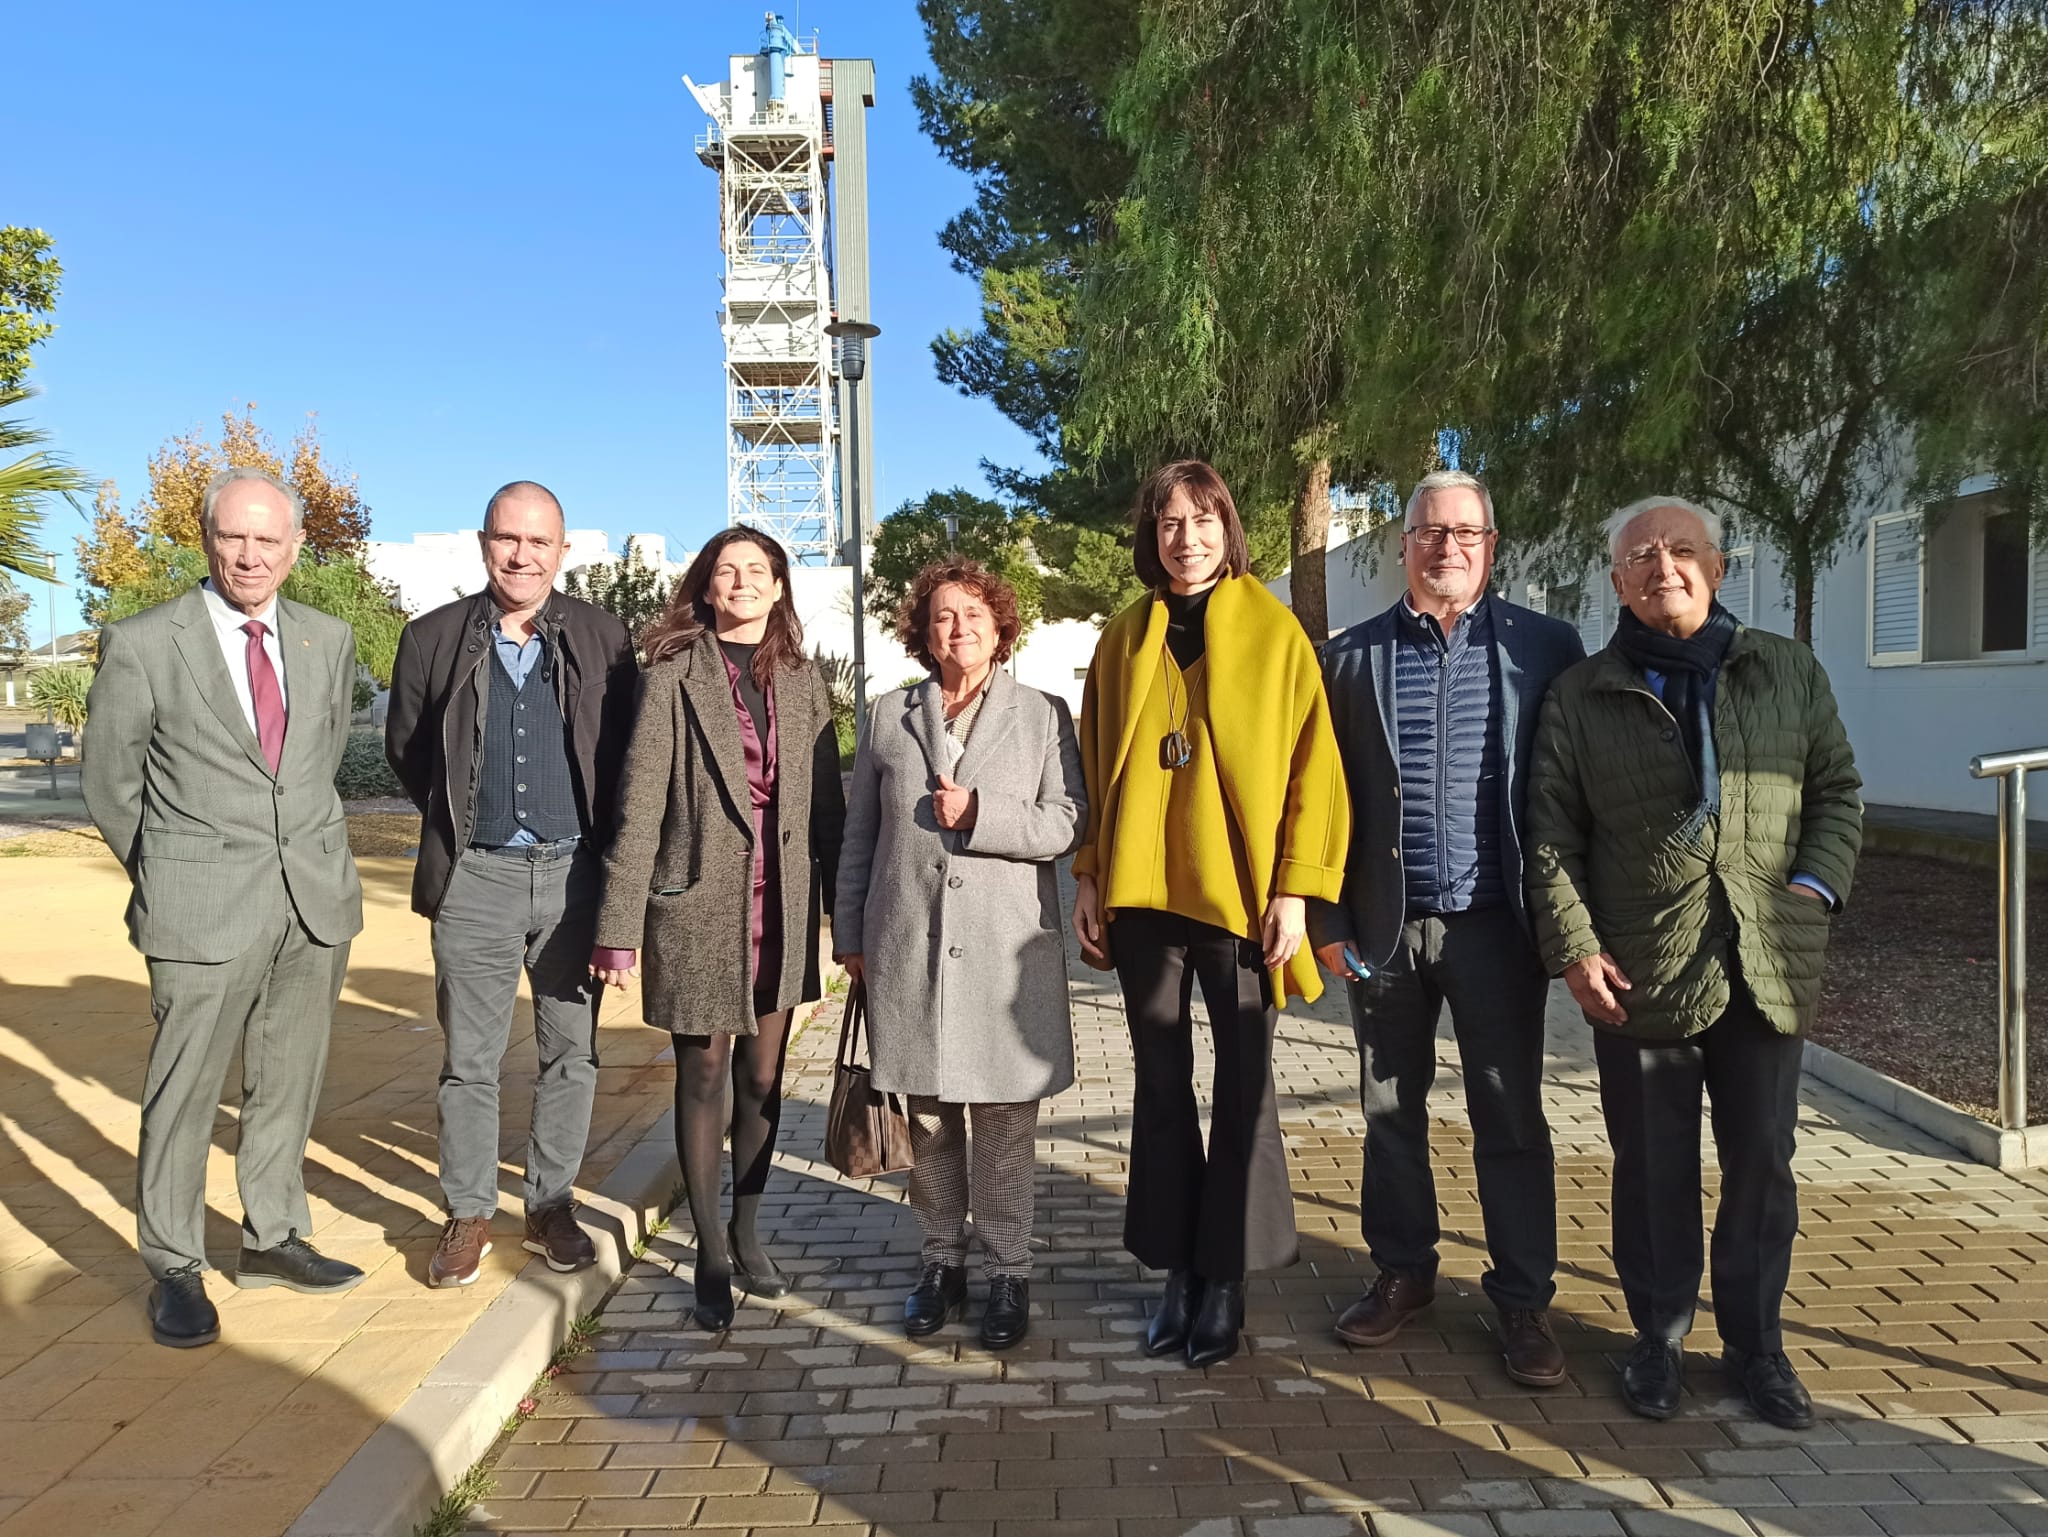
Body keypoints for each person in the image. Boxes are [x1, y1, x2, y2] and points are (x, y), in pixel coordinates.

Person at [1527, 495, 1862, 1429]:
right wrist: (1576, 947)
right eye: (1641, 556)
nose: (1662, 566)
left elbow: (1837, 789)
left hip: (1766, 958)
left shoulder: (1786, 669)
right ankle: (1660, 1337)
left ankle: (1758, 1347)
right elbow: (1551, 835)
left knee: (1762, 1163)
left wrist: (1815, 889)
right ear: (1616, 582)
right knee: (1650, 1165)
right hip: (1644, 966)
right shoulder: (1582, 692)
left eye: (1682, 550)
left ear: (1717, 566)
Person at [1071, 459, 1350, 1368]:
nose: (1184, 537)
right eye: (1167, 522)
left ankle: (1226, 1273)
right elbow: (1090, 766)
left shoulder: (1277, 634)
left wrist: (1297, 891)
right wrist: (1085, 876)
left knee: (1243, 1084)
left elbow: (1317, 770)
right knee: (1159, 1086)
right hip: (1144, 896)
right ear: (1150, 538)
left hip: (1241, 900)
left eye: (1201, 519)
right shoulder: (1121, 641)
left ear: (1228, 528)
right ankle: (1176, 1270)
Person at [1309, 469, 1584, 1386]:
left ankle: (1523, 1301)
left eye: (1466, 532)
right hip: (1385, 929)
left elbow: (1567, 790)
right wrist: (1327, 917)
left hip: (1497, 928)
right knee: (1390, 1110)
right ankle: (1403, 1271)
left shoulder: (1547, 648)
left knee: (1509, 1113)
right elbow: (1321, 802)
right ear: (1404, 544)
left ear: (1490, 547)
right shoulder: (1349, 656)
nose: (1448, 546)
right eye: (1431, 531)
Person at [83, 466, 367, 1348]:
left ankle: (274, 1232)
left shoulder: (329, 637)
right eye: (234, 538)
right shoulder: (144, 641)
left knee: (287, 1079)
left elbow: (314, 762)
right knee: (184, 1090)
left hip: (311, 901)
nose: (250, 556)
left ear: (293, 548)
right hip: (198, 906)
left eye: (268, 540)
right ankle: (174, 1261)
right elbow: (110, 781)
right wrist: (168, 871)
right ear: (207, 539)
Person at [384, 481, 637, 1287]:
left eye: (539, 542)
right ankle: (467, 1212)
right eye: (507, 539)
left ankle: (552, 1203)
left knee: (572, 1053)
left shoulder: (603, 637)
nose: (522, 555)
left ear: (563, 552)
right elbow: (409, 751)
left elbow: (629, 753)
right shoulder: (431, 638)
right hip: (477, 876)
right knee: (471, 1058)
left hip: (575, 879)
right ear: (484, 541)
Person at [591, 527, 844, 1331]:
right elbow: (639, 804)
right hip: (699, 904)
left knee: (763, 1078)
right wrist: (617, 924)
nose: (740, 582)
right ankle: (707, 1248)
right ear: (706, 587)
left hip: (784, 904)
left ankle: (747, 1226)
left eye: (757, 571)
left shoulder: (806, 683)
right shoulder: (672, 674)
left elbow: (829, 809)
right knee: (703, 1075)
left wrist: (850, 914)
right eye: (725, 570)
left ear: (778, 588)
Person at [834, 558, 1087, 1350]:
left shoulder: (1043, 715)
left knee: (1007, 1124)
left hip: (1007, 956)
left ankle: (1009, 1269)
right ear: (923, 630)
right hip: (907, 948)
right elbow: (859, 843)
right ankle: (941, 1261)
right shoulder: (887, 716)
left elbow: (1065, 823)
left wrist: (980, 812)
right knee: (933, 1124)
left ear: (1001, 625)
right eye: (943, 615)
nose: (959, 628)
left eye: (975, 613)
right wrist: (849, 936)